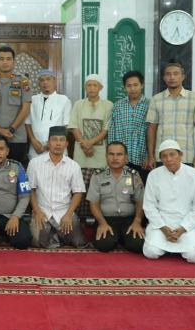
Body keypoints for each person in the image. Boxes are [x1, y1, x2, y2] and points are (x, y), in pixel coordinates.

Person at [142, 139, 195, 263]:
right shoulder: (154, 175)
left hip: (186, 223)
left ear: (180, 155)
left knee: (194, 257)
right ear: (160, 159)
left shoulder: (194, 175)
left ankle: (176, 247)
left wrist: (182, 229)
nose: (169, 159)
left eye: (172, 154)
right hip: (162, 223)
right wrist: (164, 228)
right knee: (150, 252)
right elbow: (149, 206)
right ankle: (169, 246)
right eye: (164, 156)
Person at [28, 126, 86, 249]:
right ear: (48, 142)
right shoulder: (34, 163)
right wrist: (37, 212)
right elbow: (31, 190)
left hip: (64, 211)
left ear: (66, 143)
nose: (58, 143)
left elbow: (78, 193)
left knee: (78, 242)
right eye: (54, 140)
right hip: (43, 211)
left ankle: (54, 237)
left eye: (61, 140)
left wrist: (69, 214)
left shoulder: (74, 166)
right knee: (37, 241)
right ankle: (56, 237)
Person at [69, 73, 113, 223]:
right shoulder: (78, 104)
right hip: (81, 155)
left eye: (95, 85)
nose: (92, 88)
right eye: (89, 85)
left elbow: (106, 129)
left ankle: (97, 220)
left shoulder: (108, 105)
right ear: (85, 87)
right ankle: (80, 221)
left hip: (100, 155)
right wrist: (84, 144)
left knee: (99, 189)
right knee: (80, 188)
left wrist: (90, 143)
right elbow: (74, 127)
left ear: (100, 88)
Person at [146, 60, 195, 170]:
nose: (172, 77)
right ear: (164, 78)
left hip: (186, 156)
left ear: (183, 77)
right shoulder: (156, 99)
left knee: (185, 187)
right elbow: (151, 128)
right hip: (162, 156)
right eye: (168, 74)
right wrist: (150, 156)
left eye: (176, 74)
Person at [87, 141, 145, 253]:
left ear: (126, 157)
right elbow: (93, 203)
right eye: (111, 154)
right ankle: (118, 238)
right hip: (106, 219)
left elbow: (140, 201)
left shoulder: (134, 175)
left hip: (129, 219)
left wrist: (137, 222)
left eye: (119, 154)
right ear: (106, 156)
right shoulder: (98, 175)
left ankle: (122, 238)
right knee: (104, 245)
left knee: (138, 245)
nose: (115, 158)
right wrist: (102, 223)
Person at [0, 46, 32, 168]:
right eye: (2, 59)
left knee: (16, 174)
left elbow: (25, 108)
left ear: (14, 62)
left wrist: (12, 129)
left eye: (8, 59)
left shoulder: (23, 82)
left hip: (17, 137)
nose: (5, 62)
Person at [108, 70, 150, 184]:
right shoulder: (117, 106)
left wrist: (149, 155)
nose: (133, 89)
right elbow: (112, 132)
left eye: (136, 85)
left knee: (141, 193)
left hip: (142, 159)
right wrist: (113, 155)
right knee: (124, 194)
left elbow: (152, 133)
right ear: (124, 87)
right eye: (129, 86)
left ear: (142, 85)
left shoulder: (150, 105)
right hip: (121, 160)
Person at [25, 69, 71, 160]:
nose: (45, 82)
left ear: (55, 81)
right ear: (39, 84)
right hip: (36, 148)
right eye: (42, 80)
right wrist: (33, 141)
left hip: (57, 148)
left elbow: (66, 126)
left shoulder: (64, 100)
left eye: (48, 79)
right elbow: (27, 123)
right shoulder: (32, 100)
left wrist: (50, 144)